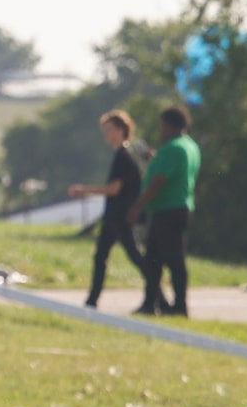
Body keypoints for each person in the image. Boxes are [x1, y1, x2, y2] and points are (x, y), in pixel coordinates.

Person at [70, 111, 146, 309]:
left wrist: (84, 190)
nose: (106, 133)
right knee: (101, 256)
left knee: (134, 256)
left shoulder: (124, 156)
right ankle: (92, 300)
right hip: (112, 216)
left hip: (121, 215)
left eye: (109, 129)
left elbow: (114, 189)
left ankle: (157, 294)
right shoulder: (120, 155)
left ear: (121, 130)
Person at [136, 105, 200, 317]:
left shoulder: (174, 148)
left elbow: (157, 182)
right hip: (175, 208)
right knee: (153, 258)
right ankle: (151, 303)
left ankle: (179, 305)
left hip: (169, 210)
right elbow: (166, 168)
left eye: (162, 125)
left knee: (173, 259)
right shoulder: (188, 145)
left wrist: (137, 207)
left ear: (170, 125)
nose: (160, 129)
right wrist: (152, 158)